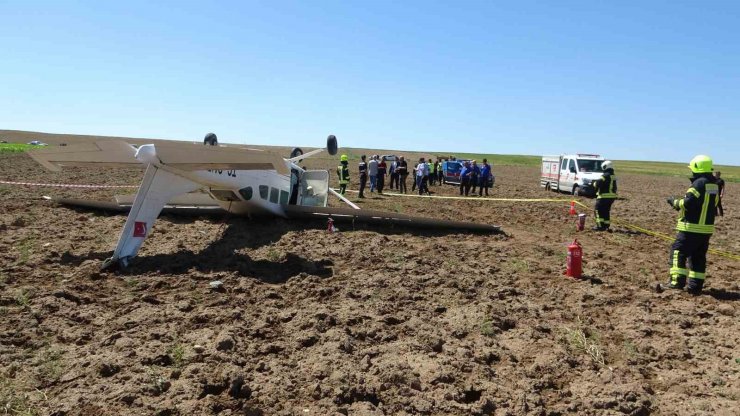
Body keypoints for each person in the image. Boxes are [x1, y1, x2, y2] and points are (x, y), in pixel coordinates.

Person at [663, 155, 719, 295]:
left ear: (696, 168)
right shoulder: (714, 185)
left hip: (691, 228)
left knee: (678, 252)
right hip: (706, 229)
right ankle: (695, 286)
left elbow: (688, 204)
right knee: (698, 257)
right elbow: (715, 203)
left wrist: (675, 202)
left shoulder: (698, 184)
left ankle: (676, 282)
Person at [592, 160, 617, 231]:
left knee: (597, 211)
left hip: (603, 197)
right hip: (611, 197)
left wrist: (594, 184)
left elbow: (597, 184)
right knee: (606, 211)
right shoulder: (613, 175)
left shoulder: (605, 175)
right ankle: (606, 225)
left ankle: (600, 226)